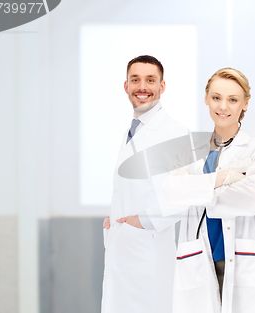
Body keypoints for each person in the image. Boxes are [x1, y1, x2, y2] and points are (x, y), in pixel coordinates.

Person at [160, 68, 255, 313]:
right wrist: (224, 178)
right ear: (206, 98)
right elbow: (171, 192)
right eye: (216, 97)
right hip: (198, 256)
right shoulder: (188, 150)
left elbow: (250, 199)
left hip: (240, 256)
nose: (223, 106)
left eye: (233, 100)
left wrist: (196, 187)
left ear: (245, 104)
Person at [101, 55, 188, 313]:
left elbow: (184, 196)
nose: (142, 87)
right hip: (126, 247)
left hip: (147, 252)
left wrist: (142, 221)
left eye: (150, 80)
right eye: (135, 80)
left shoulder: (173, 132)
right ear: (126, 86)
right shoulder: (134, 129)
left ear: (162, 87)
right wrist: (116, 215)